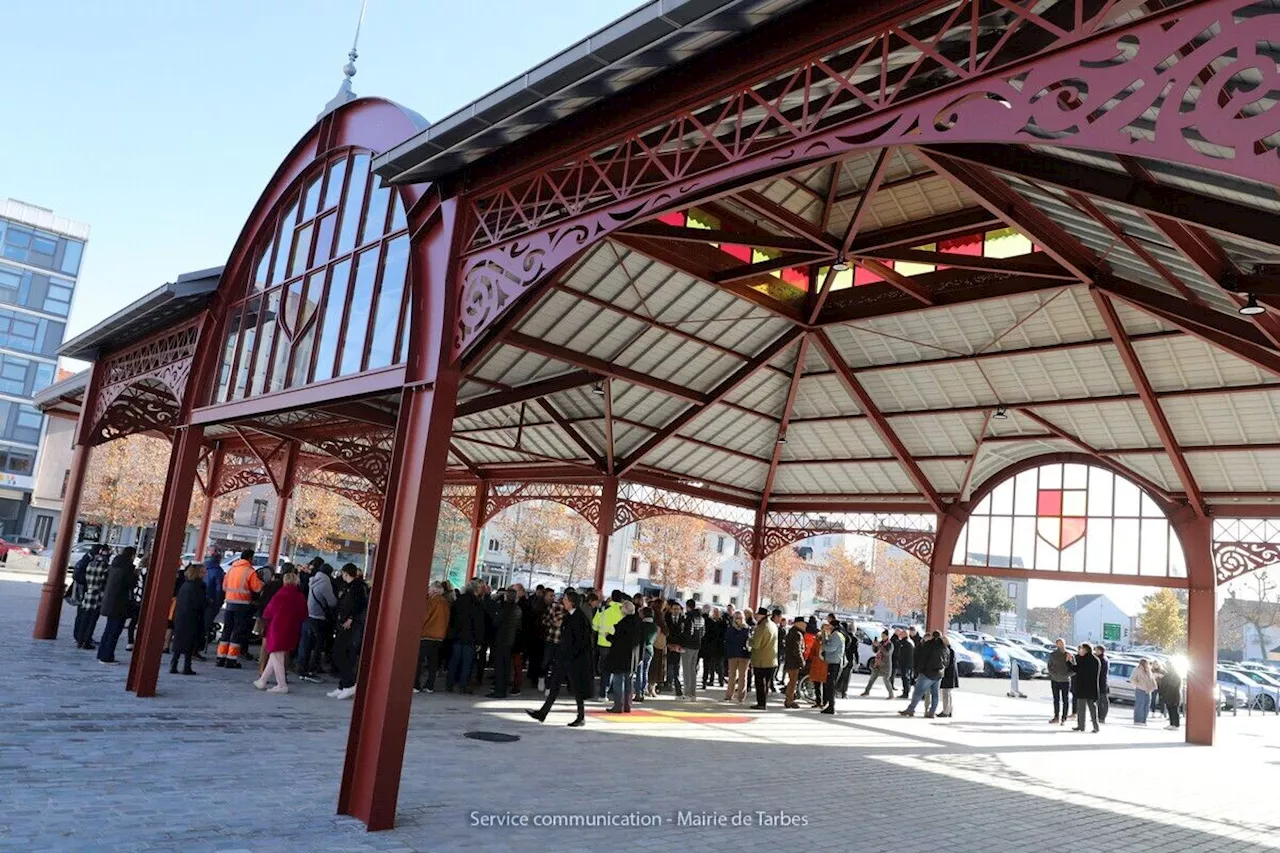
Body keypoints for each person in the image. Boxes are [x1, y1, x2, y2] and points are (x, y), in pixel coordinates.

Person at [527, 589, 591, 727]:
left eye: (566, 599)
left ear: (571, 602)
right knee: (555, 685)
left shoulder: (580, 618)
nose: (563, 601)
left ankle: (581, 717)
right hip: (563, 658)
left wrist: (572, 656)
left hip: (573, 660)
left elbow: (581, 641)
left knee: (577, 689)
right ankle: (543, 713)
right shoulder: (569, 616)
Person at [254, 571, 308, 694]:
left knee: (276, 655)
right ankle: (262, 680)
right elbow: (304, 614)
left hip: (277, 628)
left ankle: (281, 684)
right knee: (276, 655)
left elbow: (268, 612)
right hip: (292, 629)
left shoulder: (280, 594)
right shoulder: (300, 596)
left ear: (284, 581)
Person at [216, 550, 263, 669]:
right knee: (237, 632)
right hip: (242, 605)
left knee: (226, 631)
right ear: (250, 558)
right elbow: (257, 588)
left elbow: (224, 586)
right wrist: (262, 582)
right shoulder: (250, 571)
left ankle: (220, 657)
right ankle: (231, 660)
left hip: (230, 603)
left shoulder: (231, 569)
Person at [327, 565, 368, 700]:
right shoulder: (350, 587)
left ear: (346, 573)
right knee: (340, 653)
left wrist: (350, 618)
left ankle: (349, 684)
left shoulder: (356, 587)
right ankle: (342, 685)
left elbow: (358, 605)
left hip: (350, 625)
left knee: (340, 653)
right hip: (343, 624)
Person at [96, 547, 138, 664]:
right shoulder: (127, 568)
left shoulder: (115, 566)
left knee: (108, 629)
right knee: (114, 631)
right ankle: (107, 656)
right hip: (120, 604)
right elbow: (130, 584)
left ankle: (102, 653)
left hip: (110, 602)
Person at [298, 561, 336, 683]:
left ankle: (302, 669)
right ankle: (312, 670)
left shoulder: (312, 580)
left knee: (306, 644)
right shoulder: (325, 583)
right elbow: (332, 602)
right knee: (318, 645)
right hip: (319, 617)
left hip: (308, 615)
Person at [446, 580, 485, 693]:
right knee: (467, 663)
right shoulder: (477, 603)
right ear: (476, 589)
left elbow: (452, 618)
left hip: (457, 635)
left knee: (454, 660)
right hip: (470, 637)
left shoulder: (459, 600)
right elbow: (479, 624)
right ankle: (463, 685)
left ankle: (450, 683)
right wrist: (479, 640)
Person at [899, 630, 947, 718]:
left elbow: (922, 658)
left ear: (932, 636)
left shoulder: (928, 645)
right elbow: (946, 661)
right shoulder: (944, 647)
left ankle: (911, 709)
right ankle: (932, 712)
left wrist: (919, 670)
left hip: (927, 673)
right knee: (935, 694)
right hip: (939, 674)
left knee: (918, 692)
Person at [604, 601, 641, 713]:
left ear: (624, 610)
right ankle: (627, 705)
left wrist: (608, 636)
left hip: (620, 657)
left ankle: (618, 705)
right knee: (629, 682)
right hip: (633, 657)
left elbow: (617, 640)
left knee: (618, 681)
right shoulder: (638, 623)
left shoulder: (623, 623)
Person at [170, 564, 206, 675]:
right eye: (203, 571)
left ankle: (174, 664)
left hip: (181, 616)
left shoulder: (185, 585)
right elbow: (200, 603)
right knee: (190, 643)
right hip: (193, 617)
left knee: (178, 641)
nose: (205, 573)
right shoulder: (199, 586)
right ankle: (187, 666)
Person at [415, 582, 449, 693]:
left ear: (434, 591)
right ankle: (429, 686)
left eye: (429, 589)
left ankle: (415, 684)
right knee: (433, 662)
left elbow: (424, 616)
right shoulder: (446, 603)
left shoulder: (432, 601)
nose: (428, 591)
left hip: (427, 634)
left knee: (419, 661)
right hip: (439, 636)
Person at [489, 586, 522, 699]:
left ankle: (499, 690)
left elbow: (496, 622)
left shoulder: (505, 609)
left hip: (502, 640)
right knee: (506, 666)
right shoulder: (517, 609)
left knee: (500, 666)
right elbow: (518, 627)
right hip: (511, 641)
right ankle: (503, 689)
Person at [74, 545, 109, 650]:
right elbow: (104, 581)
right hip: (97, 596)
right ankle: (86, 640)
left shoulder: (89, 564)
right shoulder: (104, 567)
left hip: (88, 594)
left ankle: (80, 640)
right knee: (92, 620)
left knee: (84, 618)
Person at [749, 606, 779, 710]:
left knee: (760, 683)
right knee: (767, 683)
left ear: (762, 615)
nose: (756, 616)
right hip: (772, 659)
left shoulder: (761, 627)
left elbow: (756, 644)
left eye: (758, 614)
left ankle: (761, 703)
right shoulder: (773, 625)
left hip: (761, 660)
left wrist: (749, 640)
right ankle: (763, 702)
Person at [1069, 642, 1101, 732]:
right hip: (1090, 688)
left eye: (1082, 649)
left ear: (1086, 650)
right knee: (1089, 709)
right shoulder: (1095, 660)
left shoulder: (1084, 659)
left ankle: (1083, 726)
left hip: (1084, 687)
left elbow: (1076, 669)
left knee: (1084, 708)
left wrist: (1069, 662)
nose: (1080, 650)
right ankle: (1092, 726)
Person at [201, 547, 224, 655]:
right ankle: (200, 646)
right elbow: (219, 589)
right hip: (212, 600)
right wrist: (219, 601)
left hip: (202, 599)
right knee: (206, 624)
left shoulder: (203, 569)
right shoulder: (218, 572)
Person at [723, 610, 750, 703]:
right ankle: (729, 695)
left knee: (743, 676)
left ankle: (741, 696)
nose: (739, 620)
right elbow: (727, 641)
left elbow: (748, 641)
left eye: (741, 618)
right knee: (732, 675)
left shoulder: (747, 629)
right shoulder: (730, 629)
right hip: (733, 655)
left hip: (744, 655)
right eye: (737, 618)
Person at [819, 621, 845, 715]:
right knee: (830, 685)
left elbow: (831, 648)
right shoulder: (837, 634)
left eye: (830, 626)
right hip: (835, 662)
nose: (828, 627)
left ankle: (831, 707)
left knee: (831, 685)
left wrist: (823, 647)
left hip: (834, 663)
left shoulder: (836, 635)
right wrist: (824, 636)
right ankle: (830, 705)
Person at [680, 599, 704, 700]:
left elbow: (688, 632)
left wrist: (683, 643)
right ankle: (693, 693)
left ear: (687, 606)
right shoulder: (701, 618)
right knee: (693, 669)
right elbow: (703, 632)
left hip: (688, 646)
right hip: (697, 646)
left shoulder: (689, 617)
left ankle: (687, 693)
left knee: (686, 669)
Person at [1047, 637, 1074, 725]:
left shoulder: (1069, 655)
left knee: (1065, 700)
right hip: (1055, 680)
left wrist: (1066, 675)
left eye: (1062, 643)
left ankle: (1064, 718)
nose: (1060, 645)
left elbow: (1074, 669)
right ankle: (1056, 717)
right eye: (1058, 643)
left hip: (1065, 680)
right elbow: (1049, 666)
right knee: (1056, 699)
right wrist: (1053, 674)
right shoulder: (1053, 655)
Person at [861, 630, 896, 699]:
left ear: (887, 636)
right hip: (877, 663)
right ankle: (867, 691)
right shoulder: (881, 643)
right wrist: (874, 646)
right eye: (882, 636)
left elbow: (887, 653)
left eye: (884, 636)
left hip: (885, 665)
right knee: (872, 678)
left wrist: (879, 646)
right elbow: (875, 651)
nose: (882, 637)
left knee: (886, 680)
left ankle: (891, 694)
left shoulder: (890, 644)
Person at [783, 617, 806, 709]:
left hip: (790, 661)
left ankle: (789, 699)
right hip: (794, 662)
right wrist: (802, 661)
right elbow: (797, 650)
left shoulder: (792, 632)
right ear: (798, 624)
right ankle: (790, 700)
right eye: (803, 623)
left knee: (792, 681)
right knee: (793, 682)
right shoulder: (797, 634)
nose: (805, 625)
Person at [701, 608, 725, 690]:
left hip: (719, 648)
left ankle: (721, 681)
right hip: (709, 647)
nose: (716, 614)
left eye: (717, 612)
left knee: (720, 666)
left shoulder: (723, 622)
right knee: (707, 666)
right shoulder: (708, 621)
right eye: (714, 612)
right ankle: (706, 681)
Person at [665, 601, 685, 698]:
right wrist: (668, 645)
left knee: (676, 668)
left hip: (678, 647)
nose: (676, 611)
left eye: (678, 609)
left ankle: (678, 688)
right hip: (668, 647)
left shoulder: (683, 620)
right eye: (674, 609)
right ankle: (668, 683)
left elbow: (684, 634)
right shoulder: (666, 618)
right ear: (671, 610)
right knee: (669, 667)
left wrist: (680, 646)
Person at [1131, 658, 1158, 725]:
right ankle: (1138, 720)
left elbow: (1152, 680)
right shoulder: (1137, 670)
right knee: (1140, 705)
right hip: (1140, 690)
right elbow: (1132, 679)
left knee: (1146, 705)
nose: (1147, 664)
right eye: (1145, 663)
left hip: (1148, 691)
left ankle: (1144, 720)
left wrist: (1153, 687)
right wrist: (1138, 685)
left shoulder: (1149, 670)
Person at [938, 637, 958, 718]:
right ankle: (948, 710)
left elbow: (947, 663)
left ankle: (946, 711)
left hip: (948, 675)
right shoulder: (950, 650)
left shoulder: (947, 651)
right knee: (947, 693)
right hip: (950, 675)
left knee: (946, 693)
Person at [1159, 662, 1182, 730]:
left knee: (1174, 710)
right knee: (1170, 710)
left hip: (1174, 695)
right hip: (1167, 695)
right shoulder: (1166, 676)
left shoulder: (1176, 676)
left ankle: (1176, 725)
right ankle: (1171, 723)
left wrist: (1165, 679)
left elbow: (1173, 684)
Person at [893, 628, 915, 698]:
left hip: (905, 663)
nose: (900, 635)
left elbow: (903, 654)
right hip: (908, 663)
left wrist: (900, 660)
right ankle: (906, 691)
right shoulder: (909, 641)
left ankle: (906, 693)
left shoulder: (905, 642)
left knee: (905, 678)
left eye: (901, 634)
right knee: (906, 678)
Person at [1095, 644, 1110, 724]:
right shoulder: (1099, 658)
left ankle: (1102, 717)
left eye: (1097, 650)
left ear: (1101, 651)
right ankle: (1099, 716)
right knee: (1098, 701)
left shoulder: (1102, 660)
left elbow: (1100, 673)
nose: (1095, 651)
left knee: (1102, 702)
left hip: (1102, 683)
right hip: (1099, 683)